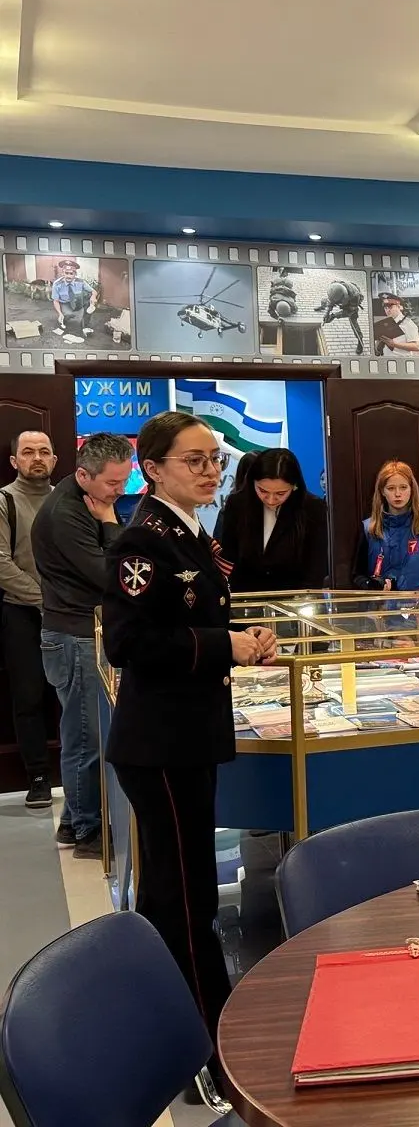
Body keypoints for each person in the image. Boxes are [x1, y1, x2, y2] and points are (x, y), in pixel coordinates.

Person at [102, 411, 278, 1057]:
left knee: (172, 889)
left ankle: (163, 1017)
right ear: (152, 468)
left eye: (215, 460)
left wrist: (238, 640)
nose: (210, 472)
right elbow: (129, 644)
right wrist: (223, 645)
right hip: (162, 743)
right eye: (194, 460)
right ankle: (207, 1037)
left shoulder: (186, 531)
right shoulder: (143, 541)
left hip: (186, 734)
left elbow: (187, 620)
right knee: (186, 894)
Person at [31, 432, 135, 857]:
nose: (120, 490)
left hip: (85, 632)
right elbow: (114, 575)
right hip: (74, 636)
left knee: (90, 734)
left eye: (124, 480)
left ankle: (74, 822)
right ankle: (89, 831)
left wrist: (109, 518)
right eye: (112, 483)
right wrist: (110, 522)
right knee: (86, 740)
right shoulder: (67, 513)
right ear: (83, 475)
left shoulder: (90, 498)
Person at [0, 432, 58, 810]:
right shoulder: (4, 500)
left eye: (43, 452)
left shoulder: (67, 501)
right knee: (29, 696)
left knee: (74, 695)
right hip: (20, 612)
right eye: (28, 452)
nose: (36, 458)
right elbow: (1, 563)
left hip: (68, 615)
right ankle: (38, 776)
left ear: (54, 460)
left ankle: (79, 773)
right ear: (14, 461)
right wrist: (43, 599)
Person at [215, 448, 329, 593]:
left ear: (294, 486)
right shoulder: (237, 503)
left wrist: (304, 599)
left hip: (294, 597)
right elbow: (229, 558)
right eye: (262, 491)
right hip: (245, 597)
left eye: (280, 493)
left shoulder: (313, 507)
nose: (270, 500)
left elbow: (316, 566)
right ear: (252, 482)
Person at [351, 461, 419, 595]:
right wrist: (372, 586)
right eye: (391, 488)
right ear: (382, 491)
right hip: (383, 606)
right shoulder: (369, 529)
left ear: (412, 489)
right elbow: (357, 575)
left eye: (403, 487)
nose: (398, 494)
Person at [51, 257, 95, 338]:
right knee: (68, 315)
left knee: (89, 299)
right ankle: (63, 318)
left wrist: (93, 297)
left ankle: (85, 325)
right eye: (66, 273)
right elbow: (56, 301)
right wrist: (60, 313)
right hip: (65, 303)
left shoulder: (81, 281)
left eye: (71, 273)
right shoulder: (57, 284)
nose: (69, 276)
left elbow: (93, 291)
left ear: (75, 274)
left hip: (76, 301)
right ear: (63, 273)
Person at [377, 293, 419, 357]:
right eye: (386, 308)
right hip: (386, 359)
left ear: (399, 307)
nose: (388, 310)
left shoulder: (408, 323)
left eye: (390, 307)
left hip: (402, 360)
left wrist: (394, 344)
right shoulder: (386, 323)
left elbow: (417, 346)